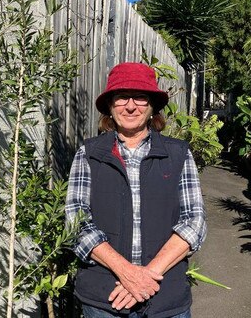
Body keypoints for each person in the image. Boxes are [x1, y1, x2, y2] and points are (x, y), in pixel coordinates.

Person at [66, 62, 206, 318]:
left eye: (140, 98)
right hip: (106, 299)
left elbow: (193, 223)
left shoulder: (178, 154)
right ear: (110, 106)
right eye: (121, 98)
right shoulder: (89, 154)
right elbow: (77, 222)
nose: (131, 106)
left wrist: (144, 278)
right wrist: (127, 273)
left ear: (152, 107)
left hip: (165, 298)